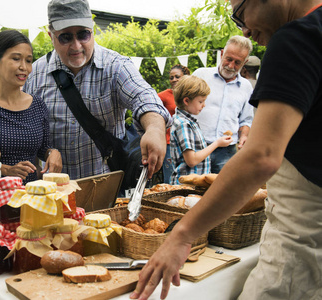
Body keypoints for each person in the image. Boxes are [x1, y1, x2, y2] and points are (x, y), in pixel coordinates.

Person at [131, 0, 322, 299]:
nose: (246, 28)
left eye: (240, 13)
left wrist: (182, 234)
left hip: (304, 238)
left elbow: (261, 157)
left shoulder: (296, 38)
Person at [24, 0, 171, 182]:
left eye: (83, 35)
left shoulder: (116, 66)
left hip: (106, 191)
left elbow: (144, 97)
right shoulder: (35, 74)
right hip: (56, 193)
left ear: (92, 30)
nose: (76, 45)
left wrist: (155, 129)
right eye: (66, 37)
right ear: (51, 36)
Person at [0, 30, 62, 184]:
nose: (24, 67)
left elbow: (44, 148)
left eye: (29, 61)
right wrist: (6, 169)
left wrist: (53, 152)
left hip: (32, 196)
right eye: (16, 59)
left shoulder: (37, 105)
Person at [192, 35, 254, 173]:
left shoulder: (246, 86)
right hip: (197, 147)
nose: (231, 66)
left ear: (245, 62)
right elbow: (183, 109)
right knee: (191, 191)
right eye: (229, 59)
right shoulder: (200, 75)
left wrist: (244, 136)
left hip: (227, 152)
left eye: (238, 62)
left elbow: (246, 120)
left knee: (224, 193)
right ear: (221, 54)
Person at [169, 75, 232, 184]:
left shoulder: (189, 122)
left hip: (193, 184)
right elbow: (192, 160)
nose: (204, 105)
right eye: (200, 101)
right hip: (186, 186)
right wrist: (217, 143)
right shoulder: (184, 124)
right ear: (186, 101)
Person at [158, 64, 190, 183]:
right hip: (169, 142)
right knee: (171, 176)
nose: (174, 80)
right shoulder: (164, 96)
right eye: (171, 77)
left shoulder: (190, 94)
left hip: (187, 141)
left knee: (187, 176)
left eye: (177, 77)